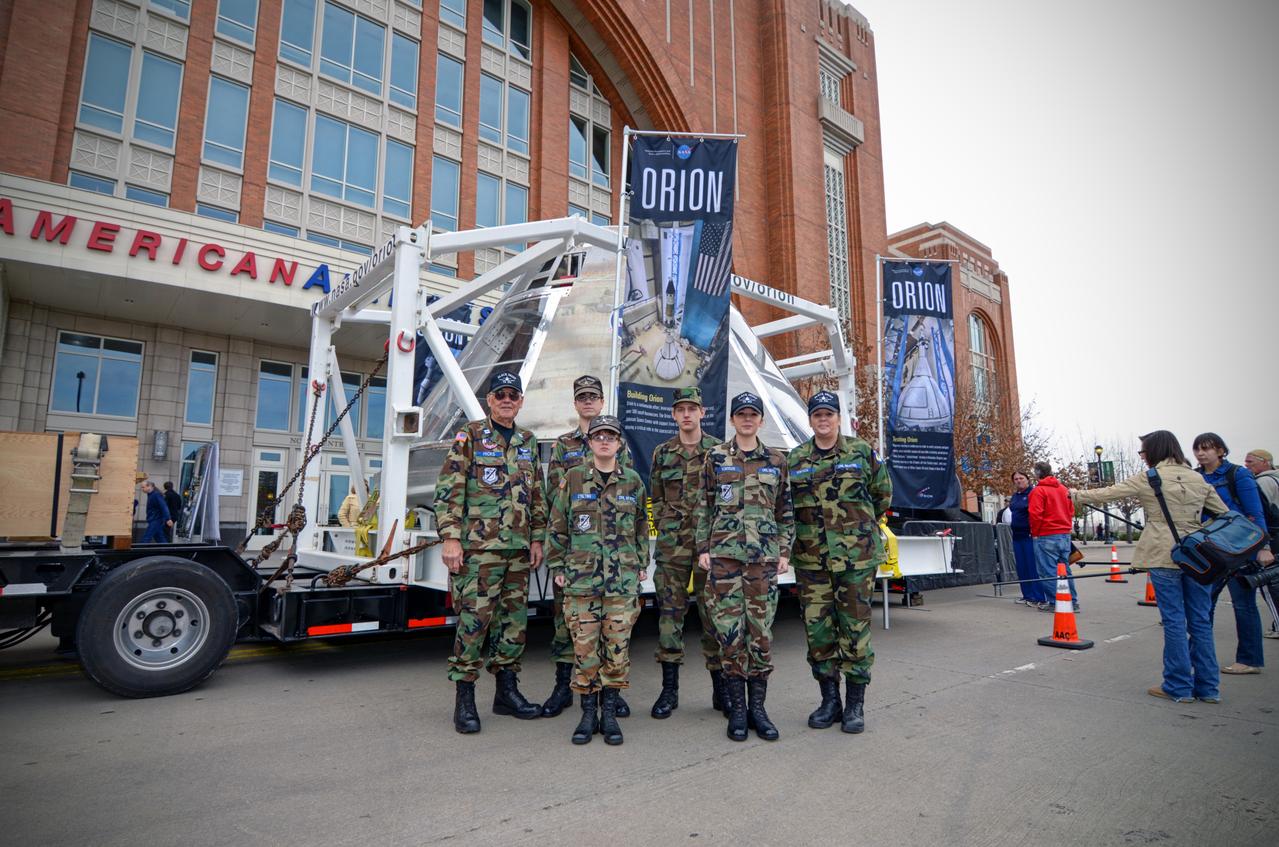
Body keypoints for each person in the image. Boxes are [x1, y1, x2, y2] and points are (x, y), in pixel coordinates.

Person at [1071, 430, 1227, 702]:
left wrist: (1074, 494)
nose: (1143, 457)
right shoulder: (1197, 478)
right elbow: (1224, 515)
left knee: (1174, 621)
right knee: (1201, 622)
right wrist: (1198, 531)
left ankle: (1178, 686)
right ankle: (1208, 687)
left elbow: (1107, 494)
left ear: (1154, 450)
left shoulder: (1150, 478)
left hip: (1163, 553)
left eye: (1143, 452)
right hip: (1198, 556)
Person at [436, 371, 546, 734]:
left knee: (513, 625)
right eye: (500, 394)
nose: (507, 400)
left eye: (513, 394)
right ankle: (464, 700)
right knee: (473, 624)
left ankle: (506, 693)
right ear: (489, 400)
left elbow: (537, 495)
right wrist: (451, 539)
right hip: (479, 552)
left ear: (520, 401)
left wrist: (537, 538)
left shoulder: (528, 441)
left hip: (517, 551)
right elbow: (450, 489)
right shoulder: (470, 436)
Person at [788, 390, 891, 734]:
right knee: (818, 632)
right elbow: (787, 507)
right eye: (817, 414)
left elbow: (882, 494)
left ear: (838, 418)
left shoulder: (860, 452)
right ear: (810, 420)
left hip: (856, 560)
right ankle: (829, 700)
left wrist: (857, 530)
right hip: (811, 560)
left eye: (828, 414)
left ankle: (855, 704)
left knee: (855, 630)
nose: (823, 419)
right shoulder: (796, 460)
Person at [696, 392, 795, 741]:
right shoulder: (716, 457)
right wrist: (703, 548)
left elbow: (785, 510)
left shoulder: (777, 461)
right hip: (724, 559)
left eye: (753, 414)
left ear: (761, 420)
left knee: (761, 635)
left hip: (763, 562)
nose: (748, 419)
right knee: (729, 634)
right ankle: (737, 711)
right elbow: (704, 506)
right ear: (734, 420)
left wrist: (784, 551)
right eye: (742, 414)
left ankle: (759, 710)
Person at [547, 415, 649, 745]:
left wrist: (641, 564)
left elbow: (640, 529)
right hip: (581, 583)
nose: (605, 441)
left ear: (620, 444)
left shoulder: (632, 481)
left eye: (611, 436)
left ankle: (610, 714)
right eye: (598, 436)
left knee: (617, 651)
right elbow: (557, 526)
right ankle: (588, 714)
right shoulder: (573, 479)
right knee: (585, 651)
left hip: (621, 583)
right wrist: (558, 566)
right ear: (589, 443)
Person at [540, 375, 632, 719]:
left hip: (611, 555)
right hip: (576, 554)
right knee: (568, 623)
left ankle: (610, 691)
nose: (588, 402)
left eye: (594, 397)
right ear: (575, 403)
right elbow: (555, 500)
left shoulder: (618, 445)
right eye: (582, 398)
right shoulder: (563, 445)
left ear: (602, 401)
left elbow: (630, 498)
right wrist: (559, 555)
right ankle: (565, 685)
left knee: (611, 625)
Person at [648, 386, 723, 719]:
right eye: (681, 409)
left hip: (711, 547)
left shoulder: (719, 451)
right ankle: (669, 691)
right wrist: (668, 523)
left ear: (702, 413)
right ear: (674, 415)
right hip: (673, 547)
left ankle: (721, 691)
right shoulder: (663, 453)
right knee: (669, 617)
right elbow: (657, 496)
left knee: (714, 617)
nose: (687, 414)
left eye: (693, 408)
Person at [1192, 433, 1275, 674]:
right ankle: (1199, 659)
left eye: (1206, 448)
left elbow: (1254, 512)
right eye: (1197, 449)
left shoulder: (1238, 474)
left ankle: (1249, 660)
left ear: (1220, 450)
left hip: (1240, 548)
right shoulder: (1195, 477)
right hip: (1208, 548)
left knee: (1244, 605)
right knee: (1203, 605)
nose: (1201, 453)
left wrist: (1263, 547)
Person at [1028, 462, 1077, 611]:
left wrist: (1035, 533)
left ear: (1037, 473)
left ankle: (1055, 602)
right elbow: (1071, 511)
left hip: (1046, 534)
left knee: (1047, 571)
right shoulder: (1063, 489)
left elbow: (1035, 514)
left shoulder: (1039, 491)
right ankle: (1072, 601)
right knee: (1065, 569)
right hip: (1064, 534)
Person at [1243, 448, 1279, 638]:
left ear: (1265, 461)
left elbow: (1258, 512)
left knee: (1269, 582)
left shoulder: (1263, 481)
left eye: (1250, 462)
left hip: (1271, 537)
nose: (1246, 465)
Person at [1008, 471, 1046, 607]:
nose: (1018, 481)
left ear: (1027, 480)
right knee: (1022, 567)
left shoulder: (1033, 493)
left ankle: (1038, 596)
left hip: (1030, 535)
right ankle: (1027, 595)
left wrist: (1035, 531)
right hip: (1017, 536)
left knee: (1033, 567)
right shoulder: (1015, 496)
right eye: (1016, 479)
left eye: (1021, 478)